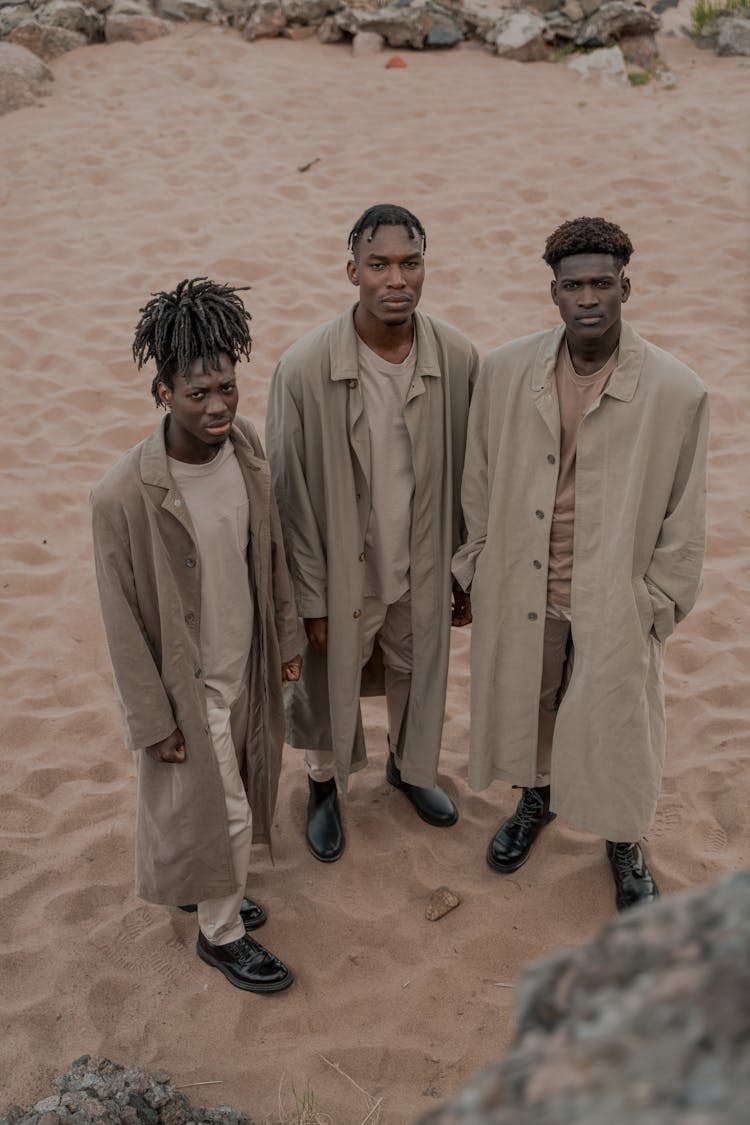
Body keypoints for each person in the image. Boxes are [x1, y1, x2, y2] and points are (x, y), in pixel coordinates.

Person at [453, 217, 708, 911]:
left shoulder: (676, 390)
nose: (588, 298)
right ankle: (535, 800)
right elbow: (476, 475)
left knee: (619, 717)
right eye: (573, 286)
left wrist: (658, 602)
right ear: (554, 294)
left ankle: (623, 840)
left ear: (626, 286)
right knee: (534, 703)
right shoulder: (506, 371)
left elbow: (685, 516)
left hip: (616, 594)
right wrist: (476, 562)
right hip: (523, 580)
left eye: (602, 283)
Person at [91, 278, 302, 991]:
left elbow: (268, 552)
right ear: (162, 394)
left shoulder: (247, 451)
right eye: (196, 394)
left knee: (227, 794)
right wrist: (152, 718)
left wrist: (288, 637)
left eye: (226, 388)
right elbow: (119, 618)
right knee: (227, 812)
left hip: (247, 664)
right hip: (187, 685)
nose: (216, 407)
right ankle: (221, 933)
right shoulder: (121, 494)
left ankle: (206, 887)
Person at [265, 204, 478, 862]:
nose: (396, 279)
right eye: (379, 264)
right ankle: (324, 785)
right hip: (341, 572)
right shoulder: (302, 369)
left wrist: (464, 567)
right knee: (329, 685)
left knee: (418, 672)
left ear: (425, 269)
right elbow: (287, 499)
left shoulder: (460, 358)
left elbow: (476, 471)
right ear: (351, 269)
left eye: (410, 263)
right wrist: (313, 599)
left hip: (421, 562)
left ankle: (408, 770)